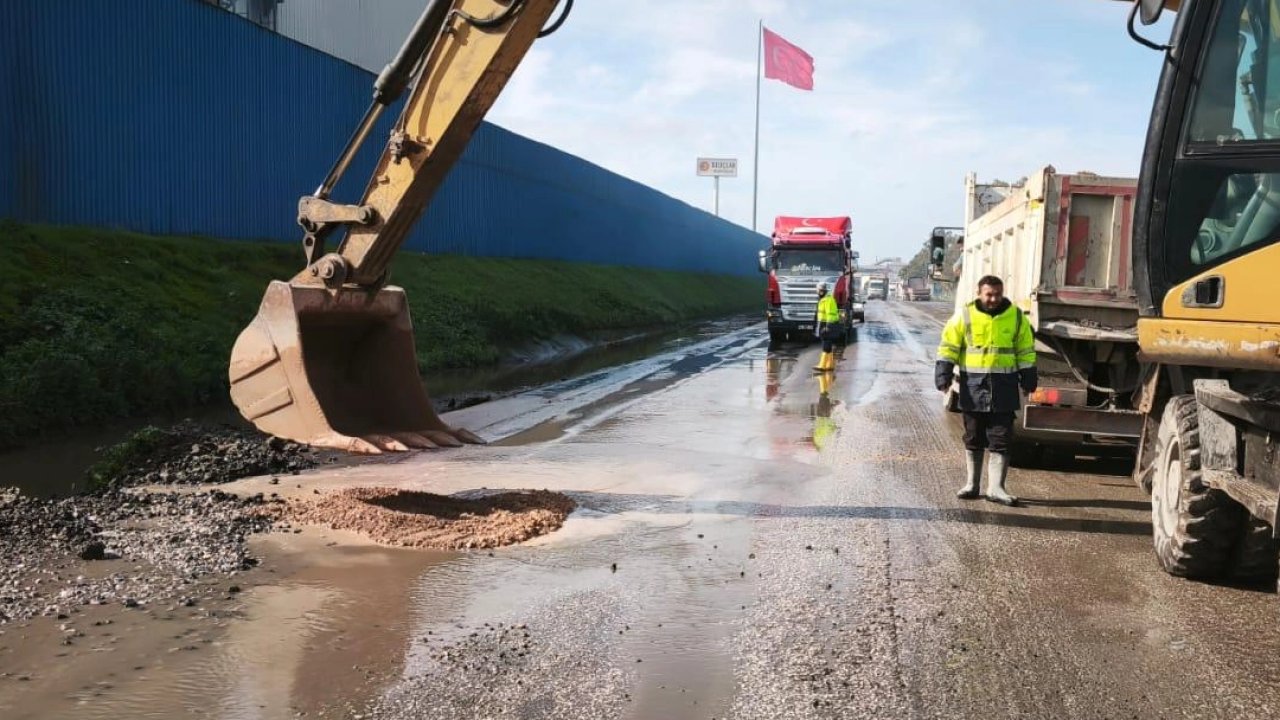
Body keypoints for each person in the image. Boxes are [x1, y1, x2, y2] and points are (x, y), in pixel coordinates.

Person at [935, 275, 1036, 506]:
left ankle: (996, 488)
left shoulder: (1016, 317)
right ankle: (972, 484)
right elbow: (948, 346)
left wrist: (1029, 376)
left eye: (997, 294)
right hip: (973, 388)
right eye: (989, 294)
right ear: (979, 293)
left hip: (1004, 388)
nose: (993, 299)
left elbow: (1026, 350)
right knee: (973, 437)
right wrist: (943, 375)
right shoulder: (964, 316)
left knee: (1001, 438)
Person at [813, 281, 840, 372]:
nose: (816, 292)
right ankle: (829, 365)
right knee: (827, 343)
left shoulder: (828, 300)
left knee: (826, 344)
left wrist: (828, 326)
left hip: (827, 324)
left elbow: (831, 314)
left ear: (821, 291)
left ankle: (822, 365)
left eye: (817, 290)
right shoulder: (823, 299)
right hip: (823, 324)